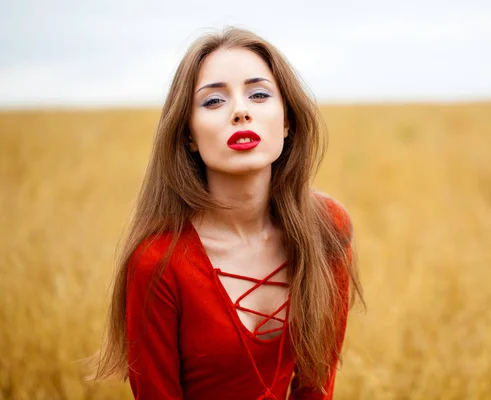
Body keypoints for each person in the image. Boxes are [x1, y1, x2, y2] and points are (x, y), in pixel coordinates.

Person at [88, 26, 363, 400]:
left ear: (286, 122)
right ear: (187, 135)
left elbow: (316, 388)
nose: (240, 112)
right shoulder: (158, 262)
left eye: (259, 94)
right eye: (214, 101)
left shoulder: (327, 228)